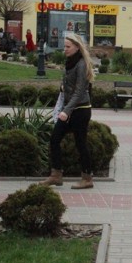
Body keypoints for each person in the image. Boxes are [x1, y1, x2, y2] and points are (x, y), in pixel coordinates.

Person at [40, 32, 95, 189]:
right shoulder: (70, 62)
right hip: (68, 108)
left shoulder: (82, 64)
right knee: (54, 139)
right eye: (64, 46)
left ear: (77, 47)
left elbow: (79, 91)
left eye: (68, 47)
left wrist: (66, 111)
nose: (65, 49)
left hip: (80, 110)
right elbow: (69, 86)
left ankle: (87, 178)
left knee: (80, 144)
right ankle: (56, 175)